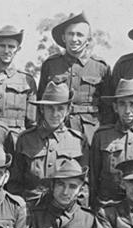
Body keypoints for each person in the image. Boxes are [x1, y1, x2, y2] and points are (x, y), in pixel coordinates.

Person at [37, 11, 111, 145]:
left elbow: (108, 109)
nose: (74, 39)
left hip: (89, 134)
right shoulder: (51, 65)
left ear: (87, 40)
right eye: (70, 34)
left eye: (80, 35)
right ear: (64, 37)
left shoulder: (100, 67)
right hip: (56, 130)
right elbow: (41, 103)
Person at [11, 81, 89, 206]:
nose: (55, 114)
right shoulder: (26, 139)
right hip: (32, 209)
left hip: (64, 210)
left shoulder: (78, 141)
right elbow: (15, 183)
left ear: (68, 110)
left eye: (60, 108)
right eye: (50, 108)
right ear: (42, 109)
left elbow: (84, 185)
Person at [91, 77, 133, 209]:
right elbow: (93, 179)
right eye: (122, 104)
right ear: (115, 107)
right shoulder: (102, 136)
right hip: (107, 208)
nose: (127, 110)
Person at [0, 24, 37, 136]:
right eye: (2, 46)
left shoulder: (27, 80)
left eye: (11, 47)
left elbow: (32, 122)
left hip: (16, 138)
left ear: (18, 49)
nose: (6, 51)